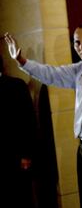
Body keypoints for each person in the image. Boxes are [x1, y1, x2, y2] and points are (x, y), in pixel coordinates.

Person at [4, 24, 82, 208]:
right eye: (77, 42)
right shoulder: (79, 70)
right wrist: (21, 60)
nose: (81, 47)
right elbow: (51, 74)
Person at [0, 54, 36, 208]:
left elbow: (28, 122)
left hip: (15, 158)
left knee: (21, 199)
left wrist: (26, 154)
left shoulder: (16, 86)